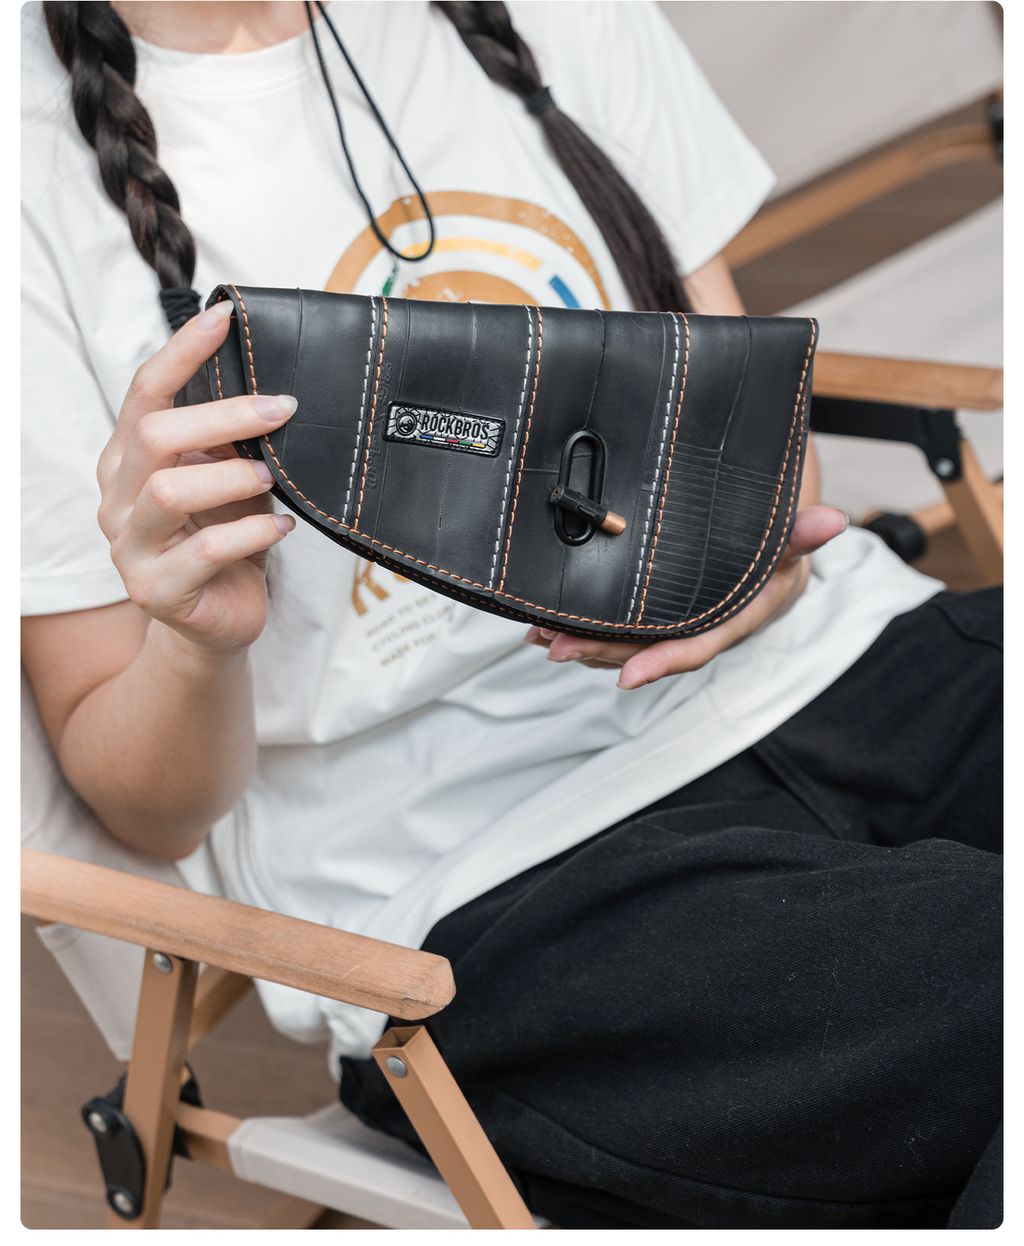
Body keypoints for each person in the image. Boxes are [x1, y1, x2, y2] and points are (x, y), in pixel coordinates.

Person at [21, 0, 1001, 1229]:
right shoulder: (26, 170)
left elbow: (756, 430)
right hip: (492, 873)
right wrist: (196, 641)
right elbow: (140, 808)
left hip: (841, 658)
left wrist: (755, 570)